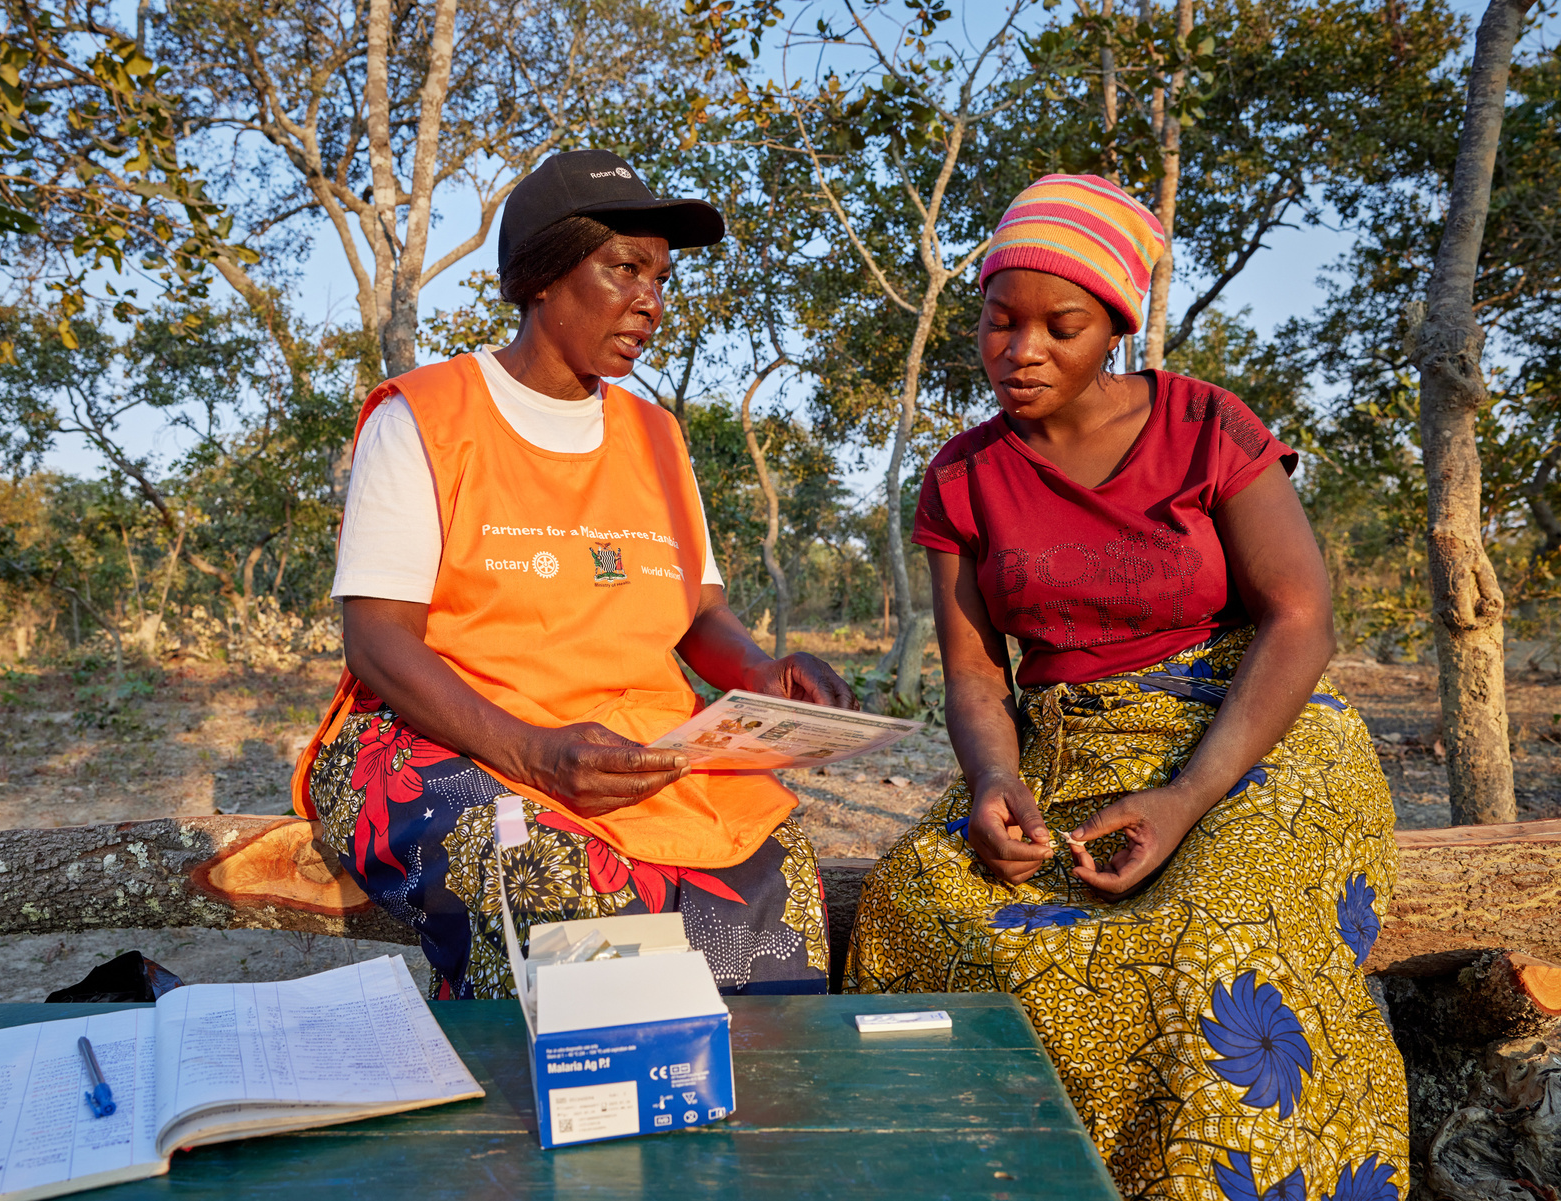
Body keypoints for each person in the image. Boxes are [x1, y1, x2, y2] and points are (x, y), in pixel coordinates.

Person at [846, 175, 1407, 1200]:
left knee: (1219, 938)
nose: (1021, 350)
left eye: (1059, 325)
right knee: (911, 903)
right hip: (1068, 748)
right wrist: (990, 782)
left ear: (1113, 324)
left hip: (1251, 736)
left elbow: (1300, 619)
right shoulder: (964, 476)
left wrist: (1188, 797)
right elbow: (976, 669)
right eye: (998, 322)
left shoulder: (1206, 425)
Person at [292, 149, 855, 1001]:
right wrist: (533, 753)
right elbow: (376, 640)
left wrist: (762, 675)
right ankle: (525, 1119)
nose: (650, 301)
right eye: (624, 269)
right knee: (561, 880)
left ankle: (720, 1126)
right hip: (441, 732)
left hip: (627, 734)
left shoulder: (657, 438)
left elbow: (701, 614)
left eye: (661, 278)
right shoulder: (429, 415)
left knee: (775, 870)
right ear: (542, 277)